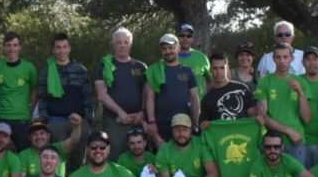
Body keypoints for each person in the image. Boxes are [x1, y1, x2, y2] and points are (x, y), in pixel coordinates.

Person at [38, 32, 93, 166]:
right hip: (55, 122)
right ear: (53, 50)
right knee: (58, 162)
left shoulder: (80, 70)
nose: (61, 50)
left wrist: (87, 121)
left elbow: (87, 96)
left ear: (69, 48)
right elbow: (42, 97)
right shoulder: (46, 71)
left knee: (78, 161)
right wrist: (45, 120)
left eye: (64, 47)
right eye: (58, 47)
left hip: (78, 122)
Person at [94, 27, 147, 160]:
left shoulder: (141, 67)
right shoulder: (104, 66)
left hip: (137, 120)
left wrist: (142, 112)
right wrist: (120, 112)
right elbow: (101, 95)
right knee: (115, 156)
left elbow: (147, 94)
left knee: (139, 158)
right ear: (113, 44)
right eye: (119, 42)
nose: (122, 45)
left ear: (131, 44)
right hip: (114, 121)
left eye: (125, 42)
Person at [254, 42, 311, 163]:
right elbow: (263, 116)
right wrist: (289, 131)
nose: (282, 61)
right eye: (278, 57)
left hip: (296, 142)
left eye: (285, 57)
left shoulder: (301, 82)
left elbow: (306, 118)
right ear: (273, 59)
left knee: (298, 176)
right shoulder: (265, 82)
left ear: (292, 59)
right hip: (273, 143)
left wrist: (300, 93)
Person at [144, 33, 200, 145]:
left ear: (178, 48)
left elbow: (194, 97)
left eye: (171, 47)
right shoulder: (153, 70)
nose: (168, 51)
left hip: (183, 124)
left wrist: (195, 122)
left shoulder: (187, 71)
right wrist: (151, 122)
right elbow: (150, 98)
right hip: (161, 125)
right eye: (164, 49)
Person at [0, 31, 37, 150]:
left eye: (15, 45)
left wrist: (30, 109)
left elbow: (35, 89)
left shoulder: (29, 67)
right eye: (8, 45)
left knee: (23, 152)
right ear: (4, 47)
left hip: (22, 118)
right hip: (1, 117)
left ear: (20, 47)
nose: (12, 49)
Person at [296, 47, 318, 168]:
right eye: (308, 59)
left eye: (315, 59)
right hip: (298, 142)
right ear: (302, 62)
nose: (312, 63)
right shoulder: (296, 82)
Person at [19, 116, 84, 177]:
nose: (39, 137)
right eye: (35, 134)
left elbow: (74, 141)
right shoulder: (23, 155)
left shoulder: (57, 148)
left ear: (48, 136)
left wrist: (77, 126)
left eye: (42, 133)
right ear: (30, 138)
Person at [201, 52, 254, 123]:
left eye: (222, 68)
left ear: (227, 68)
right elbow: (203, 124)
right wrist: (204, 124)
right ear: (210, 70)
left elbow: (253, 114)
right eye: (215, 68)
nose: (219, 72)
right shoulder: (207, 98)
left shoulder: (242, 89)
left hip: (243, 130)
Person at [176, 23, 212, 95]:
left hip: (200, 101)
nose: (185, 38)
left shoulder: (202, 58)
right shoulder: (170, 58)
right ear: (177, 38)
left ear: (192, 39)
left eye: (189, 36)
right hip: (177, 101)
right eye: (182, 35)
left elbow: (211, 81)